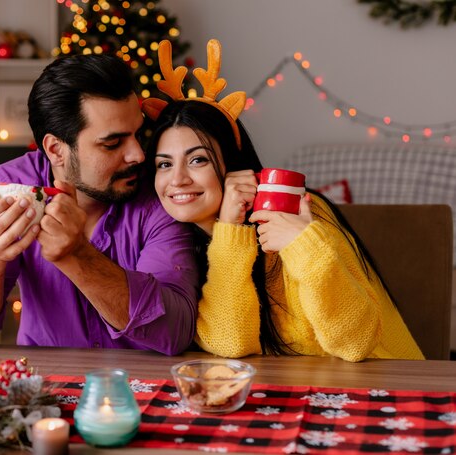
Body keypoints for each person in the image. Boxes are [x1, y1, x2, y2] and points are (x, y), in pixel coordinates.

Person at [143, 39, 424, 362]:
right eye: (164, 164)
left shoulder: (294, 210)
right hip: (294, 395)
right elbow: (229, 342)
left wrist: (307, 246)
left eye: (197, 160)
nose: (177, 179)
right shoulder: (175, 240)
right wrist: (230, 229)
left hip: (386, 387)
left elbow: (354, 343)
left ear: (233, 166)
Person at [0, 53, 199, 355]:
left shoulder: (159, 193)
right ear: (56, 150)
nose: (138, 155)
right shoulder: (13, 185)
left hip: (144, 388)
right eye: (113, 143)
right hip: (45, 383)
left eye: (137, 134)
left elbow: (177, 331)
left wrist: (77, 255)